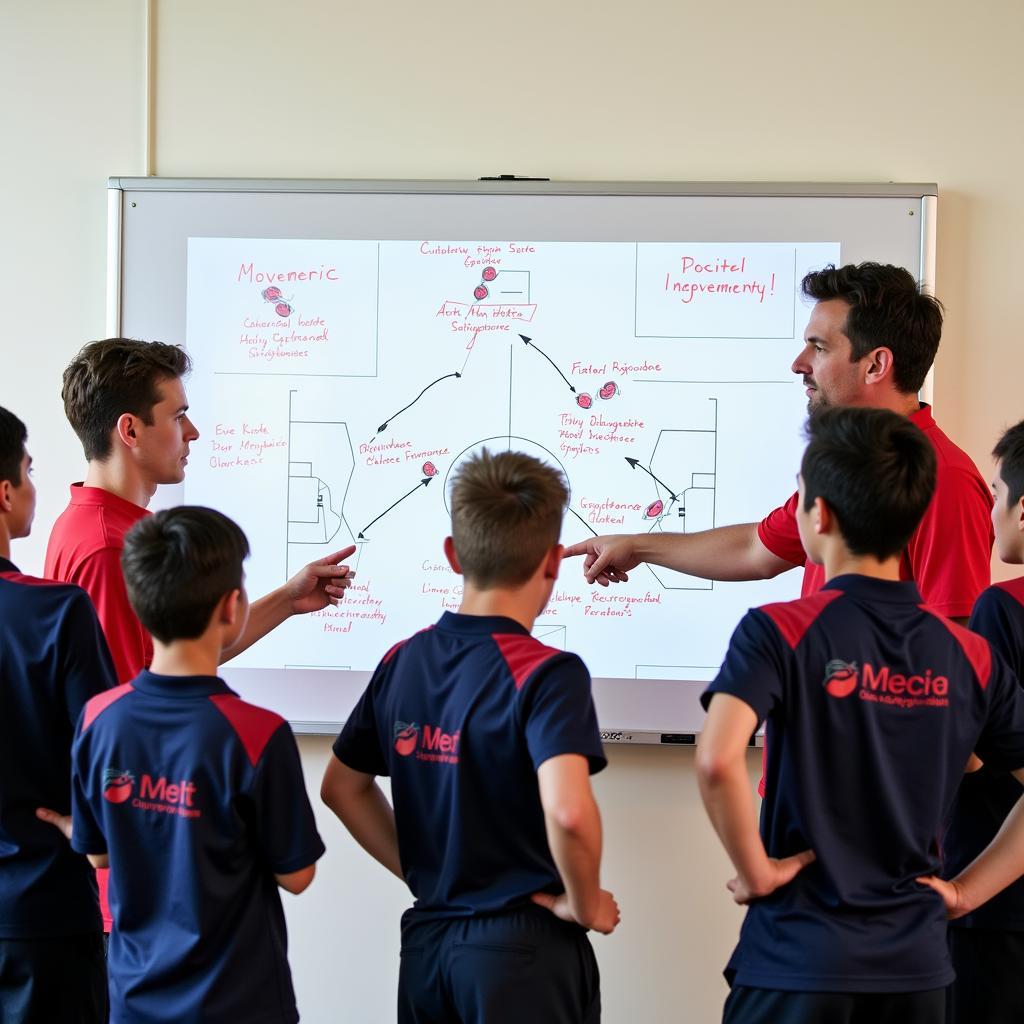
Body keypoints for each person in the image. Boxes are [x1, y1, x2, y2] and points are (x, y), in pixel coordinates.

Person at [696, 407, 1024, 1024]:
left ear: (819, 515)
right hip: (917, 973)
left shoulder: (779, 630)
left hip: (796, 958)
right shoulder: (970, 654)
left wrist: (758, 873)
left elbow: (717, 758)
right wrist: (964, 893)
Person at [44, 337, 354, 926]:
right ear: (129, 431)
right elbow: (123, 723)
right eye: (179, 415)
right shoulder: (110, 548)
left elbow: (177, 655)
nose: (193, 433)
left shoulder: (96, 523)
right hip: (146, 893)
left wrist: (287, 601)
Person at [322, 450, 619, 1024]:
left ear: (453, 555)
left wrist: (430, 877)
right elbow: (570, 812)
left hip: (429, 949)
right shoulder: (548, 673)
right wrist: (584, 905)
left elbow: (341, 788)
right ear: (553, 563)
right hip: (522, 952)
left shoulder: (402, 661)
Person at [566, 263, 992, 625]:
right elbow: (758, 550)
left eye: (819, 347)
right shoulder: (848, 462)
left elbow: (956, 652)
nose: (798, 364)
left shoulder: (944, 482)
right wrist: (637, 546)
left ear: (876, 364)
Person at [67, 507, 325, 1024]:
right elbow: (297, 875)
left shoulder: (99, 719)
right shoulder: (257, 733)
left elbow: (97, 855)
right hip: (240, 1000)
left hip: (135, 999)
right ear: (232, 608)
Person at [0, 406, 116, 1024]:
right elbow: (104, 763)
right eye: (29, 469)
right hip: (42, 917)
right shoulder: (55, 613)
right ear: (4, 493)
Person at [943, 419, 1024, 1024]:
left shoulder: (1003, 606)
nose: (990, 508)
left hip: (995, 901)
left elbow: (976, 753)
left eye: (996, 492)